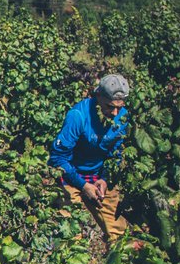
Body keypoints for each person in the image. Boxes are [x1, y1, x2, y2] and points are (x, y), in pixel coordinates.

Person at [48, 74, 132, 242]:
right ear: (98, 96)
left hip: (96, 175)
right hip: (69, 176)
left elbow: (116, 153)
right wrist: (83, 185)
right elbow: (58, 158)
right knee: (70, 236)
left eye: (119, 107)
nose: (114, 112)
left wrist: (105, 179)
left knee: (120, 234)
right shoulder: (78, 116)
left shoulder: (122, 117)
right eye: (109, 107)